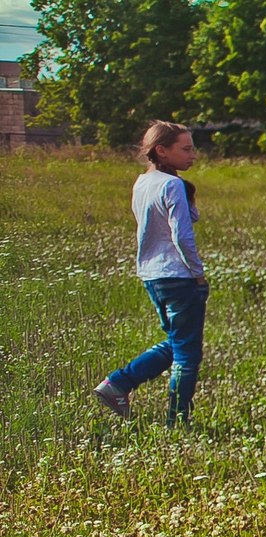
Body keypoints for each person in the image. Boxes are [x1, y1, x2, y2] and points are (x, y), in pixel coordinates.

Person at [93, 122, 209, 426]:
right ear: (161, 150)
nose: (193, 155)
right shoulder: (171, 186)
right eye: (185, 148)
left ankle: (117, 385)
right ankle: (176, 420)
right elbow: (182, 235)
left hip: (151, 275)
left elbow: (184, 216)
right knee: (187, 354)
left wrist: (186, 191)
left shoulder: (143, 182)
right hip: (178, 275)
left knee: (178, 342)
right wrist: (198, 274)